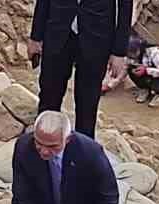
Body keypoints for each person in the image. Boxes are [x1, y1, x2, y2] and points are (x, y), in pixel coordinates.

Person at [29, 0, 134, 137]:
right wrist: (35, 36)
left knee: (87, 104)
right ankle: (44, 143)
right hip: (57, 30)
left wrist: (119, 52)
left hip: (97, 37)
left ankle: (83, 147)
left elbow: (125, 8)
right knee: (49, 95)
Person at [128, 39, 159, 107]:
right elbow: (126, 65)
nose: (132, 55)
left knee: (155, 79)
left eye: (133, 52)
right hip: (151, 72)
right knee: (130, 69)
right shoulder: (137, 55)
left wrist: (146, 70)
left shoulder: (155, 53)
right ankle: (144, 89)